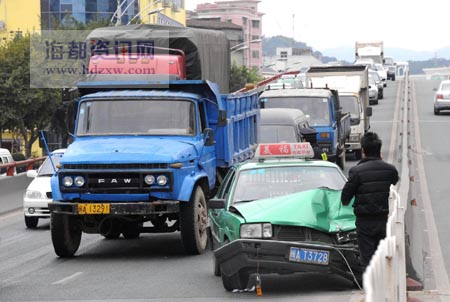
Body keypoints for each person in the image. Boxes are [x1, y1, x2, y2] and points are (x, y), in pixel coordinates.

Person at [340, 132, 399, 271]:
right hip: (384, 220)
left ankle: (371, 288)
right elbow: (394, 182)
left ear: (363, 150)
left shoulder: (356, 171)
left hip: (364, 222)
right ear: (379, 150)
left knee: (367, 258)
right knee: (384, 256)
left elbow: (345, 198)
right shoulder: (390, 170)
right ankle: (386, 286)